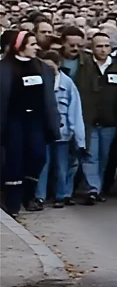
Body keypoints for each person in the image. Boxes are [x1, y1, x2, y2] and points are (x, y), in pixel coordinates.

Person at [0, 32, 60, 218]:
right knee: (15, 160)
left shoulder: (42, 67)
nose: (37, 47)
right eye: (32, 44)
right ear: (20, 46)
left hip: (37, 120)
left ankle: (29, 192)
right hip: (13, 120)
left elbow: (49, 98)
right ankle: (13, 203)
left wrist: (54, 120)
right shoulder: (4, 68)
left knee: (38, 156)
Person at [34, 51, 86, 209]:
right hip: (43, 132)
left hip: (63, 134)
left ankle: (61, 195)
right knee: (42, 166)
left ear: (58, 65)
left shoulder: (68, 83)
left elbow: (75, 109)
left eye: (51, 66)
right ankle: (39, 196)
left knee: (62, 167)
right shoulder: (38, 82)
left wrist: (77, 133)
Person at [81, 33, 117, 205]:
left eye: (106, 46)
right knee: (90, 155)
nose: (103, 49)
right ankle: (92, 189)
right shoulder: (84, 66)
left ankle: (98, 187)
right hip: (90, 120)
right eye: (99, 46)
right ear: (92, 48)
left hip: (111, 120)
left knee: (104, 156)